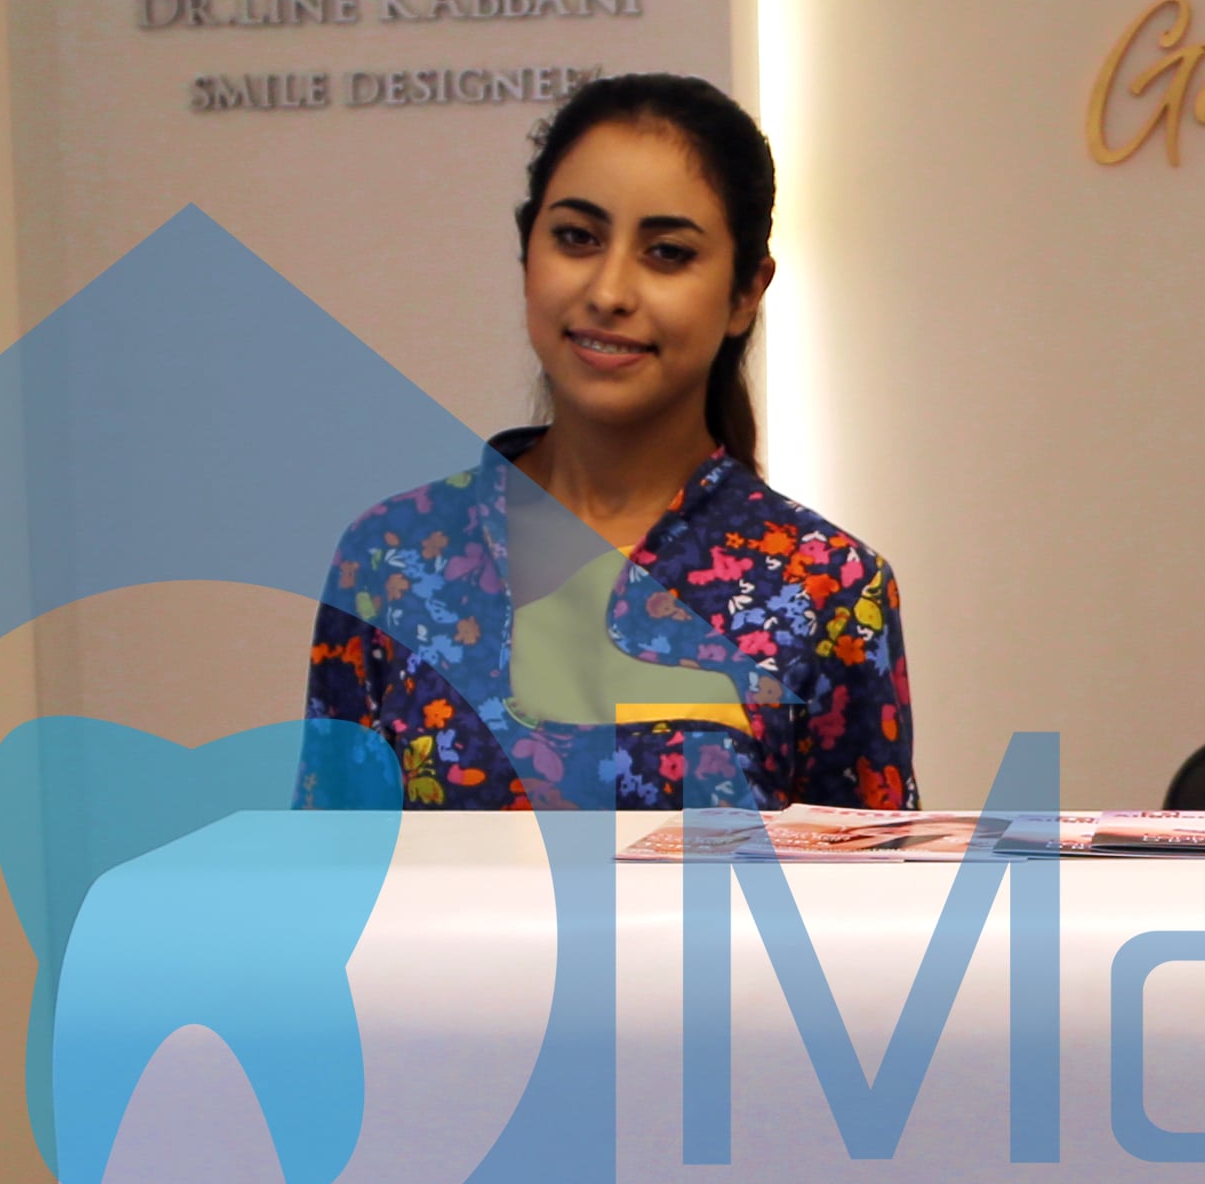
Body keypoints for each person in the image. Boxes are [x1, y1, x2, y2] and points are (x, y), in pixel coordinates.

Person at [303, 74, 913, 812]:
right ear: (527, 253)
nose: (609, 291)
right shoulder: (391, 558)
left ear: (746, 292)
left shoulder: (827, 586)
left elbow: (873, 882)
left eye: (668, 252)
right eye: (577, 238)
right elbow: (327, 869)